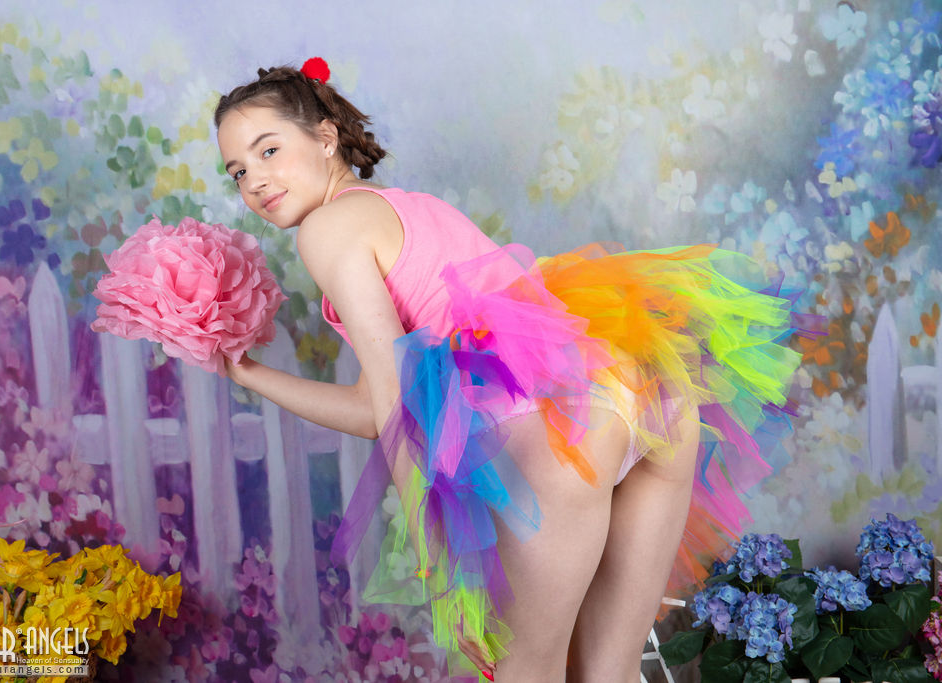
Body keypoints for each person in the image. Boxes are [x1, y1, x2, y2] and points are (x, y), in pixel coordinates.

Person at [214, 58, 807, 682]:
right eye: (238, 171)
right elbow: (373, 405)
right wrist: (250, 374)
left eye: (269, 150)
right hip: (645, 393)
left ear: (326, 137)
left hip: (562, 435)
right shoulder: (403, 206)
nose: (256, 180)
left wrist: (441, 577)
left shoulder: (326, 230)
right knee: (606, 675)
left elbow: (394, 406)